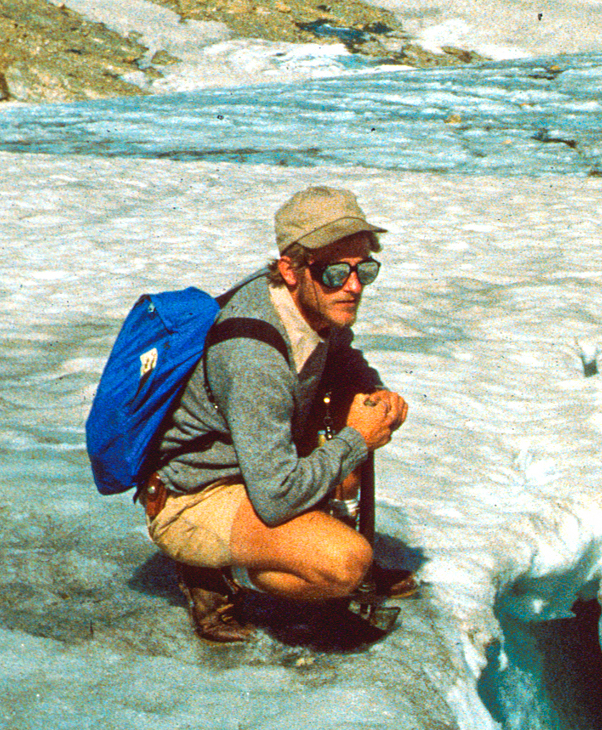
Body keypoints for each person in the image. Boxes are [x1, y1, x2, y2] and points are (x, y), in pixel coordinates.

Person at [138, 186, 411, 641]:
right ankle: (215, 570)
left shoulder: (304, 303)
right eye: (335, 272)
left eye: (364, 268)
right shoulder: (252, 357)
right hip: (195, 497)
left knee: (354, 420)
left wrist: (372, 391)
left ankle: (288, 549)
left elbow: (341, 354)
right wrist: (357, 439)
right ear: (291, 269)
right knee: (344, 563)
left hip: (253, 469)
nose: (354, 286)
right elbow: (277, 496)